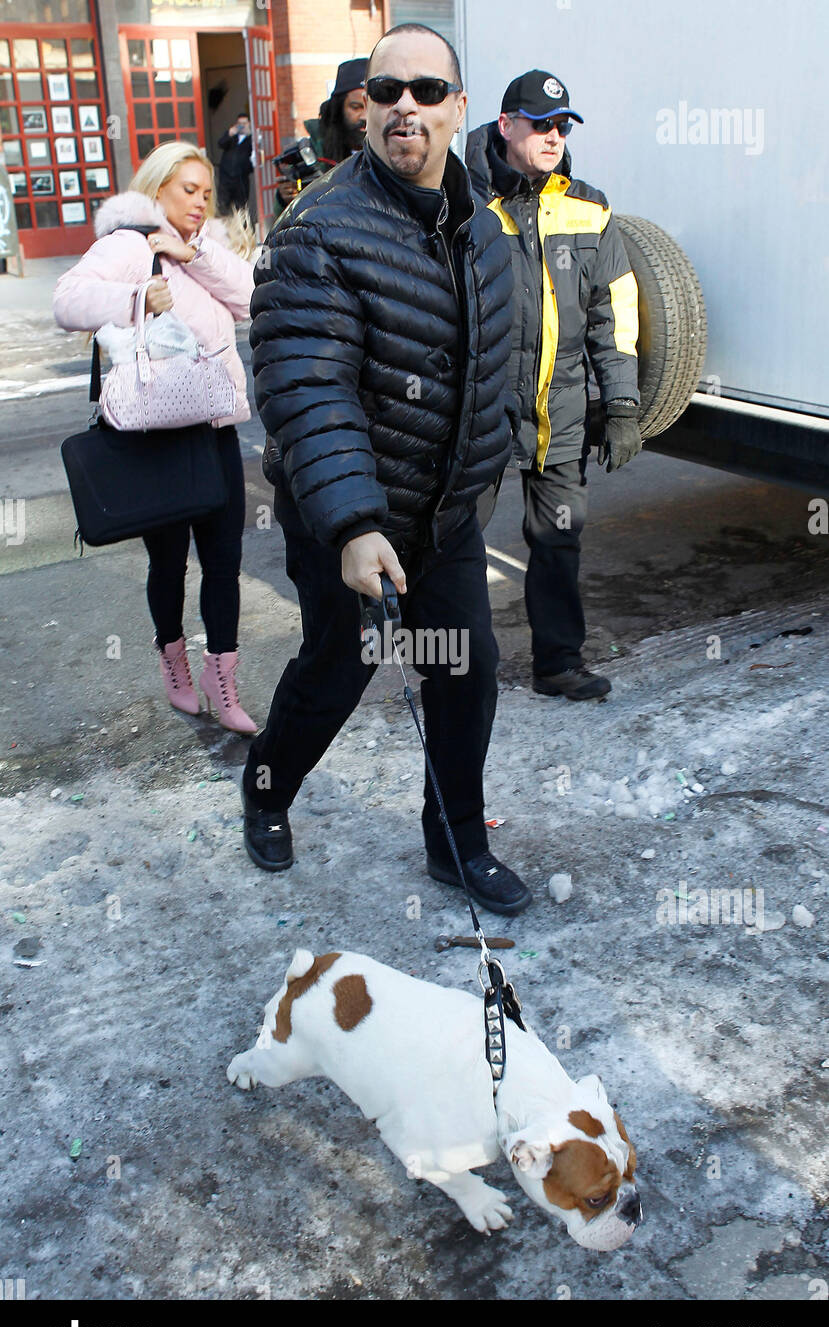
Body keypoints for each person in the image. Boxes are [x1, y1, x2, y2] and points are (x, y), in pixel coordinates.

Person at [242, 23, 533, 917]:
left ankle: (456, 841)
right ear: (361, 105)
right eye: (387, 89)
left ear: (458, 109)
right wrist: (354, 523)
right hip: (347, 513)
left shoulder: (483, 223)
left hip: (444, 513)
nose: (406, 104)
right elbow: (304, 383)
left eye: (428, 90)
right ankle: (266, 789)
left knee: (465, 667)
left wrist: (503, 451)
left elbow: (501, 352)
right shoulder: (317, 230)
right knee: (342, 663)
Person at [53, 141, 259, 734]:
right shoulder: (126, 243)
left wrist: (191, 256)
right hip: (157, 435)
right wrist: (135, 297)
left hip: (214, 429)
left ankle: (226, 688)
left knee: (225, 563)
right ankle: (175, 666)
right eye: (187, 190)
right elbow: (67, 300)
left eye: (205, 193)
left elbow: (251, 301)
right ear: (158, 188)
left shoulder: (204, 246)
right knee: (169, 565)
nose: (199, 202)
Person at [466, 70, 642, 701]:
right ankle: (457, 670)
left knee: (558, 541)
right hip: (480, 407)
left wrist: (621, 403)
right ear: (505, 124)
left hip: (560, 408)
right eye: (541, 123)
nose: (554, 136)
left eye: (563, 125)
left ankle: (558, 664)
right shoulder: (463, 201)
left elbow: (612, 312)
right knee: (458, 544)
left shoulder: (589, 206)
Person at [275, 58, 367, 209]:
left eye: (371, 106)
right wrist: (285, 200)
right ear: (338, 109)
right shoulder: (314, 155)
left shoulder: (395, 152)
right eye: (356, 107)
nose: (364, 116)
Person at [217, 113, 253, 213]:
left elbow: (256, 156)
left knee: (241, 207)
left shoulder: (251, 139)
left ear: (249, 123)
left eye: (244, 123)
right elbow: (220, 144)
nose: (242, 126)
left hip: (241, 178)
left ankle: (241, 227)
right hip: (226, 177)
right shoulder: (232, 136)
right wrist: (230, 133)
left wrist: (247, 169)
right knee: (223, 205)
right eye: (240, 123)